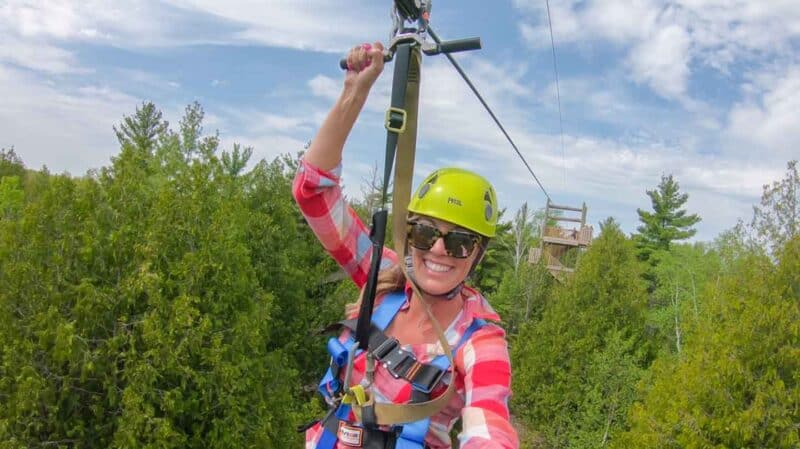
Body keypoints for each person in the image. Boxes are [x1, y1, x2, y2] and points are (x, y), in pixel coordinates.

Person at [293, 41, 518, 449]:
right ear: (407, 232)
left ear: (478, 254)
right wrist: (354, 92)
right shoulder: (385, 276)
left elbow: (490, 425)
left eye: (460, 242)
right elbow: (313, 193)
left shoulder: (479, 341)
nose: (438, 251)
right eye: (426, 233)